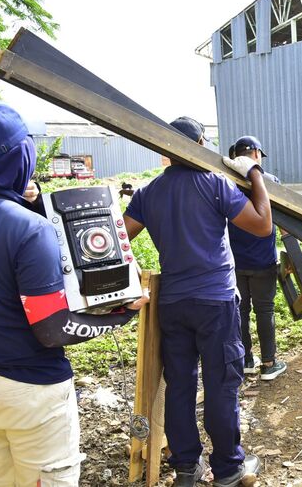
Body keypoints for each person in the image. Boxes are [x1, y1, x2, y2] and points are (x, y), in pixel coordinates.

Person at [0, 101, 145, 487]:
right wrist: (120, 315)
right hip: (28, 392)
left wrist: (29, 199)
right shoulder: (28, 230)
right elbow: (52, 329)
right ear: (22, 154)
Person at [123, 117, 269, 487]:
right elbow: (262, 225)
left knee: (180, 385)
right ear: (200, 144)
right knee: (221, 384)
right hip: (215, 301)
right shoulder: (215, 182)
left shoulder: (148, 193)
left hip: (173, 303)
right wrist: (255, 175)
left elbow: (118, 238)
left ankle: (186, 467)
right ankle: (228, 468)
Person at [227, 136, 287, 381]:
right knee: (265, 310)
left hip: (235, 262)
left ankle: (246, 360)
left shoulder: (226, 181)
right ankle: (269, 363)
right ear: (255, 154)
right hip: (263, 260)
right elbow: (284, 221)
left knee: (240, 311)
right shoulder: (269, 181)